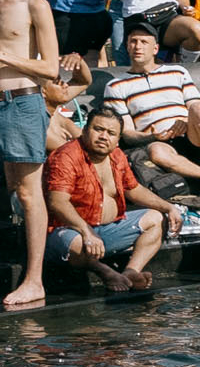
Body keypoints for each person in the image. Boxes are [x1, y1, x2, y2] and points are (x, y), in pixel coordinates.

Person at [44, 107, 179, 291]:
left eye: (111, 133)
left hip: (108, 230)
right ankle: (106, 272)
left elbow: (133, 189)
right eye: (98, 129)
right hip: (69, 232)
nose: (103, 136)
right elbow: (57, 202)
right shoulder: (66, 156)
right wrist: (86, 231)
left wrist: (168, 207)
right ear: (85, 131)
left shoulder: (117, 155)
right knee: (73, 243)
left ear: (117, 140)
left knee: (156, 218)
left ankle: (131, 271)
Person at [104, 17, 200, 205]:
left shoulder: (177, 72)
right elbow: (128, 134)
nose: (138, 46)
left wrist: (185, 123)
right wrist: (152, 136)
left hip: (191, 135)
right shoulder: (115, 85)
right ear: (127, 46)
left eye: (144, 42)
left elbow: (196, 107)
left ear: (155, 49)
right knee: (157, 152)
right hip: (158, 143)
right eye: (133, 41)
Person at [0, 0, 57, 310]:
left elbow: (52, 68)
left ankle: (34, 280)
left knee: (28, 192)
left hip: (20, 101)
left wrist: (6, 56)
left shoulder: (33, 2)